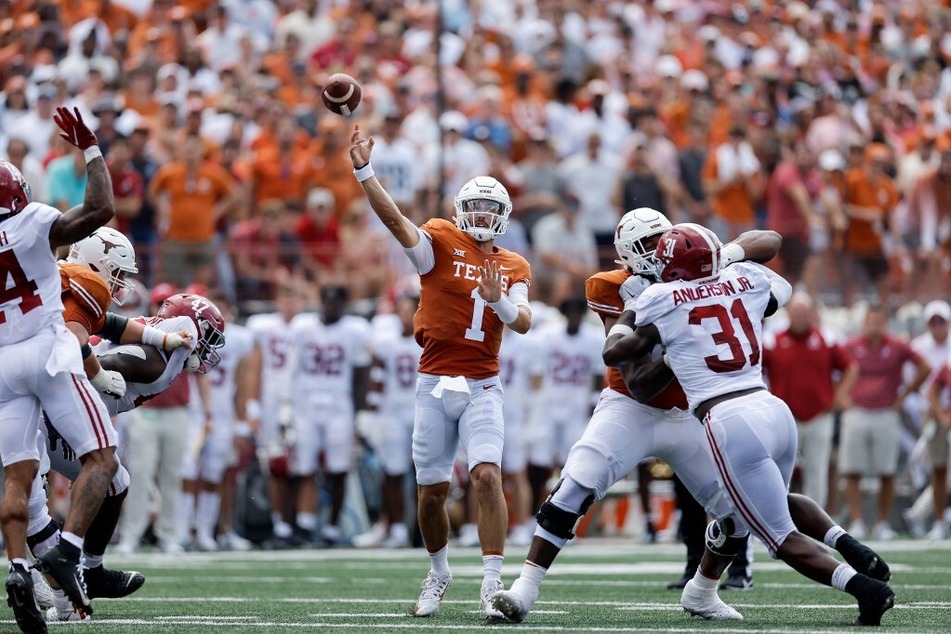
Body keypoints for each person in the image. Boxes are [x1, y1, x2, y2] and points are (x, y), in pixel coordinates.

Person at [494, 211, 891, 624]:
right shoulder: (615, 286)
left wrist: (721, 257)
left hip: (691, 413)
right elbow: (640, 383)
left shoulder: (692, 279)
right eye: (650, 244)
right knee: (576, 485)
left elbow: (768, 239)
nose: (661, 249)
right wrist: (678, 343)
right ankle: (525, 589)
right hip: (629, 407)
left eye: (666, 239)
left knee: (740, 510)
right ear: (629, 254)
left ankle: (702, 591)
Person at [604, 223, 896, 626]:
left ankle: (865, 589)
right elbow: (777, 266)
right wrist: (728, 259)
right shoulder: (746, 279)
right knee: (774, 499)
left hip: (728, 419)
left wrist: (632, 312)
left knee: (779, 537)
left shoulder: (660, 296)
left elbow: (614, 352)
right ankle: (848, 545)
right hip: (772, 408)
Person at [349, 125, 532, 620]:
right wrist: (365, 173)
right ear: (459, 210)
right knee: (430, 494)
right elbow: (397, 224)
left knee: (488, 476)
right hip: (434, 383)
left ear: (504, 217)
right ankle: (439, 571)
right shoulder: (441, 240)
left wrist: (500, 302)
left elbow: (525, 322)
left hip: (482, 384)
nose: (482, 216)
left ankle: (492, 583)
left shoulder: (513, 264)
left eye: (492, 209)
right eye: (476, 206)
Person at [0, 107, 117, 633]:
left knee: (16, 479)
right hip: (47, 350)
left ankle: (20, 567)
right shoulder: (34, 221)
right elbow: (101, 207)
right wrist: (89, 147)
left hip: (3, 365)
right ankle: (68, 551)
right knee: (103, 459)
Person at [288, 284, 371, 546]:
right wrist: (286, 405)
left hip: (339, 403)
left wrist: (359, 411)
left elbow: (361, 374)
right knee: (304, 466)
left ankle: (332, 528)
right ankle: (304, 523)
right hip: (306, 403)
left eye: (336, 302)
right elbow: (292, 368)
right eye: (327, 301)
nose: (331, 306)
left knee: (338, 468)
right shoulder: (303, 327)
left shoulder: (354, 331)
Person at [841, 304, 930, 540]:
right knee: (852, 469)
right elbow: (832, 368)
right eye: (871, 322)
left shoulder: (897, 346)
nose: (875, 327)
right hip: (857, 410)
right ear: (864, 323)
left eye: (879, 322)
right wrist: (841, 396)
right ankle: (857, 520)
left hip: (886, 412)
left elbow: (925, 367)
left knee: (887, 470)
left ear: (885, 324)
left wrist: (905, 395)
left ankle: (882, 522)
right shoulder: (851, 346)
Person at [762, 292, 858, 511]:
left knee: (817, 470)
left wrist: (839, 396)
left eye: (804, 312)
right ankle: (778, 518)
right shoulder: (772, 340)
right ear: (788, 313)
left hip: (819, 416)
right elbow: (755, 369)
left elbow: (851, 368)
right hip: (785, 418)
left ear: (811, 314)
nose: (800, 317)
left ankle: (816, 523)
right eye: (796, 312)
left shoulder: (826, 338)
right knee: (779, 470)